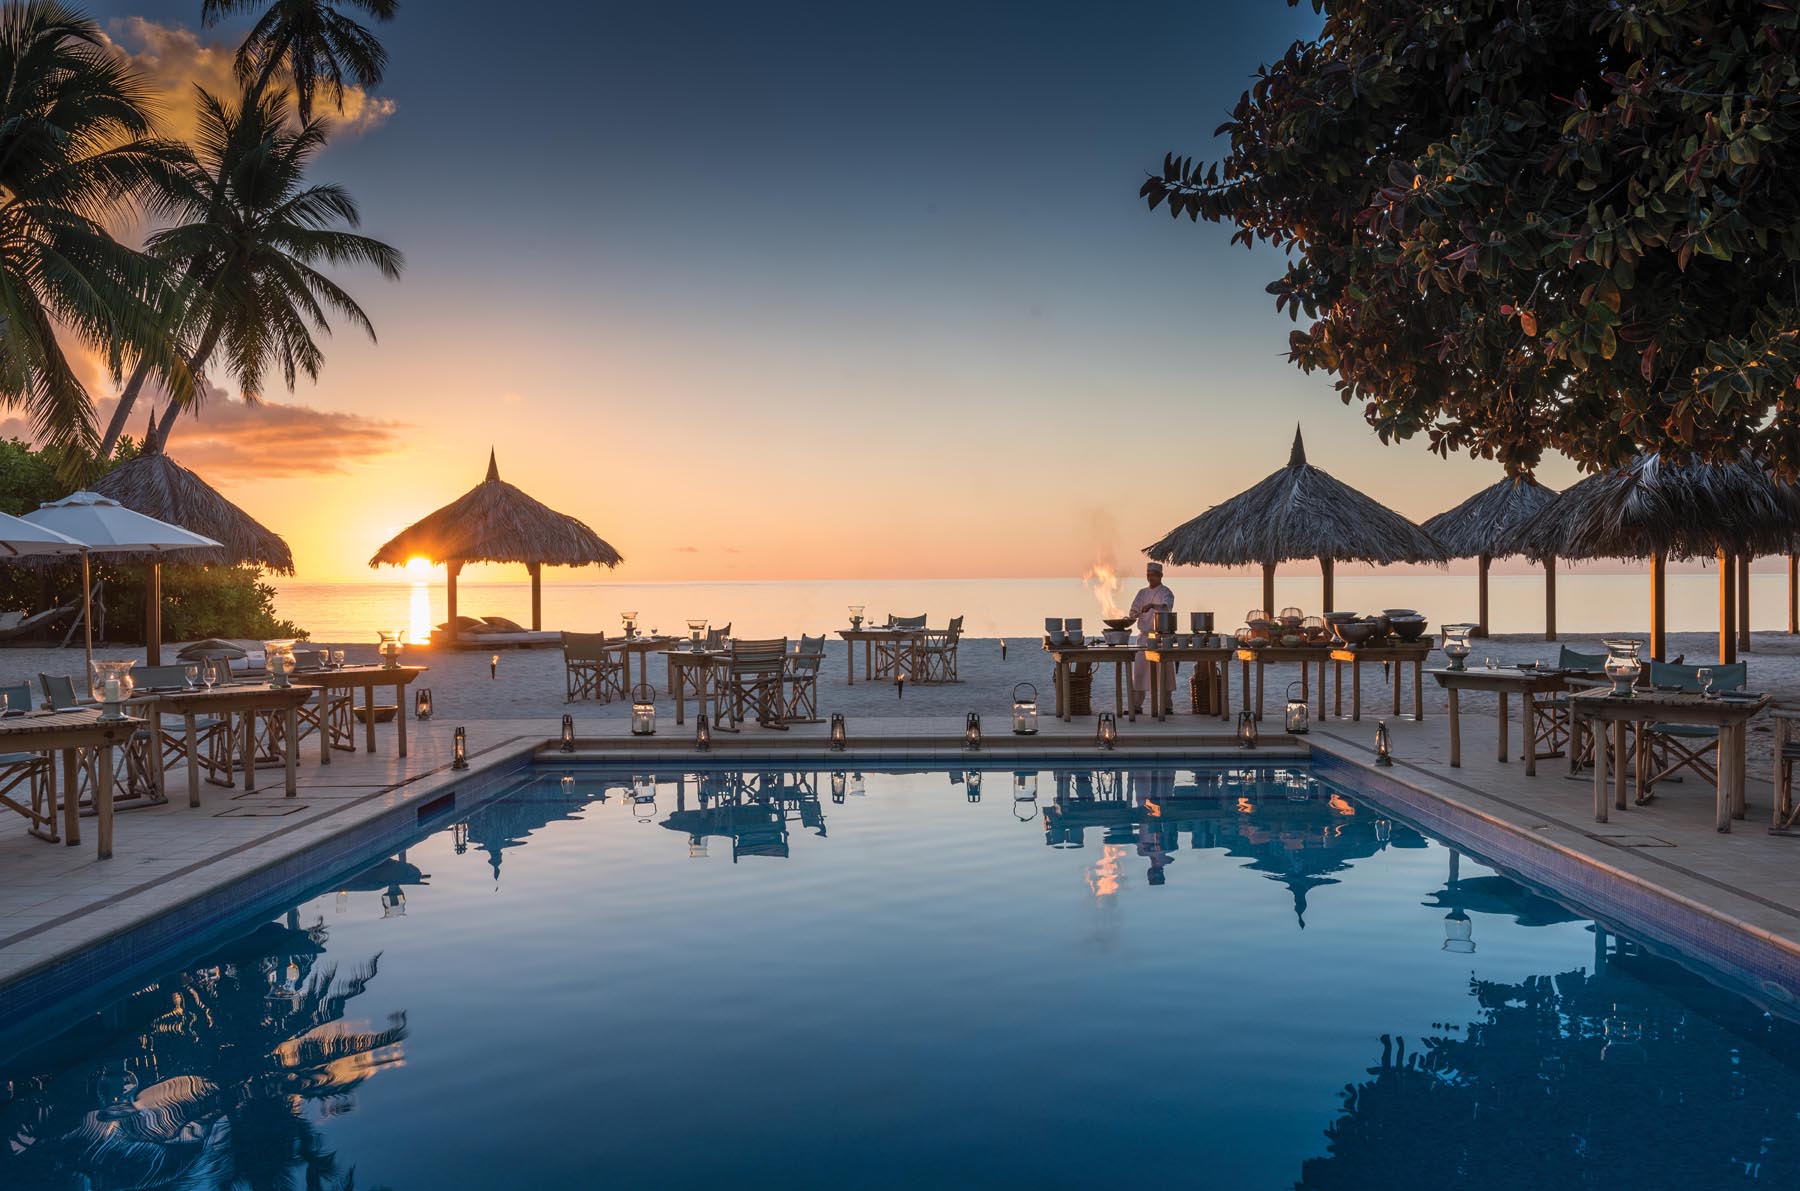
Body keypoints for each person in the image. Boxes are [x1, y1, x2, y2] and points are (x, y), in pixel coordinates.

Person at [1128, 561, 1175, 715]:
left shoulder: (1166, 592)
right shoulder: (1141, 593)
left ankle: (1167, 706)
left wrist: (1152, 606)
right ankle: (1136, 705)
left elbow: (1166, 608)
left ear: (1160, 576)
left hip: (1160, 638)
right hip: (1144, 638)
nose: (1150, 578)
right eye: (1148, 575)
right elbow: (1133, 611)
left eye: (1153, 575)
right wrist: (1133, 615)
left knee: (1165, 673)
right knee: (1139, 672)